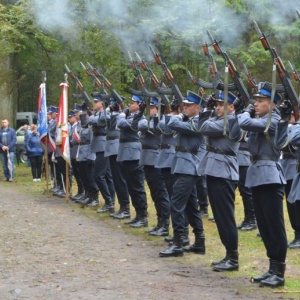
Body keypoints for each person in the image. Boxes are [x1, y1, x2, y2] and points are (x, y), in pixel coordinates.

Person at [232, 82, 287, 287]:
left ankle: (279, 272)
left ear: (272, 104)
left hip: (270, 176)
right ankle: (271, 268)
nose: (256, 104)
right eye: (255, 100)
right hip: (257, 174)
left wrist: (245, 110)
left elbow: (244, 123)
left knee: (275, 225)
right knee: (264, 226)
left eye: (260, 101)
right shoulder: (261, 120)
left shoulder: (273, 121)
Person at [159, 91, 206, 257]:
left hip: (190, 167)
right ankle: (199, 241)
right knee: (191, 206)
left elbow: (172, 124)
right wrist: (179, 116)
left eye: (188, 105)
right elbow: (163, 127)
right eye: (183, 105)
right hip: (182, 165)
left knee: (176, 204)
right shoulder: (187, 120)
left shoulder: (199, 122)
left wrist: (177, 116)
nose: (184, 107)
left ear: (198, 107)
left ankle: (178, 242)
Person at [199, 91, 240, 271]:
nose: (218, 107)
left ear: (231, 107)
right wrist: (207, 111)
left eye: (222, 105)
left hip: (224, 172)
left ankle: (233, 257)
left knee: (225, 217)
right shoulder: (219, 120)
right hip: (215, 170)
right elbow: (203, 126)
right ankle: (228, 254)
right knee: (220, 216)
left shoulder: (231, 121)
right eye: (216, 105)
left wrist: (207, 115)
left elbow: (204, 128)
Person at [138, 97, 170, 236]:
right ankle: (159, 222)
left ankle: (165, 224)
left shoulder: (161, 122)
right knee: (155, 193)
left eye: (152, 108)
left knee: (161, 193)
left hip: (156, 160)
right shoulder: (147, 120)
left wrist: (155, 117)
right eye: (148, 108)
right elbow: (140, 125)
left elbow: (152, 127)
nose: (149, 110)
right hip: (147, 160)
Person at [117, 95, 148, 228]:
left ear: (139, 105)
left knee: (137, 187)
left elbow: (121, 123)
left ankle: (143, 216)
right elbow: (120, 123)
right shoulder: (130, 117)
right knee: (130, 186)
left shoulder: (141, 118)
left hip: (134, 155)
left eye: (133, 103)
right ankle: (137, 214)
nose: (130, 104)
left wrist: (123, 114)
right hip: (126, 153)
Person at [275, 103, 300, 249]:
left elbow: (295, 139)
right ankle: (298, 233)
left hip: (293, 166)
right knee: (293, 203)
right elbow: (279, 143)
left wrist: (295, 122)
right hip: (291, 167)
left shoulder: (296, 128)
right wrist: (284, 122)